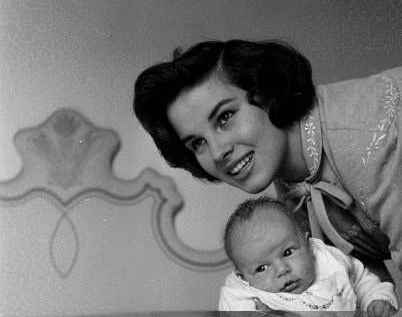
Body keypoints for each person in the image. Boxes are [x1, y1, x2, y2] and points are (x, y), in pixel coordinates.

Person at [134, 39, 402, 278]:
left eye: (225, 117)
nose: (217, 152)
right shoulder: (292, 182)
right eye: (197, 143)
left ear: (267, 92)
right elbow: (360, 293)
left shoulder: (366, 137)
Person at [219, 197, 400, 317]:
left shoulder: (328, 259)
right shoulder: (241, 294)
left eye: (288, 252)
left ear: (307, 244)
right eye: (262, 268)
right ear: (242, 275)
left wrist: (377, 297)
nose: (282, 269)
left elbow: (360, 277)